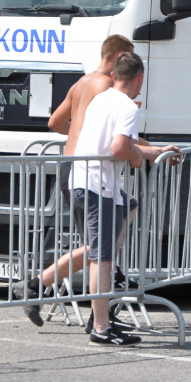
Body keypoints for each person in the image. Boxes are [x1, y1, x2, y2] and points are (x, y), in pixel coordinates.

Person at [19, 35, 136, 327]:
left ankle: (100, 300)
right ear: (118, 57)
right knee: (99, 248)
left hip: (70, 166)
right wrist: (146, 148)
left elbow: (55, 122)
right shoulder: (108, 87)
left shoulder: (81, 82)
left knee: (117, 222)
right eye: (126, 59)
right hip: (89, 171)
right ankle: (36, 285)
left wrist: (78, 133)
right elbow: (115, 135)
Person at [73, 52, 177, 346]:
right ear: (139, 78)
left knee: (104, 248)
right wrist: (149, 153)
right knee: (101, 259)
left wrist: (151, 151)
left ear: (115, 74)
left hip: (82, 181)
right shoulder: (128, 108)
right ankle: (100, 327)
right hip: (99, 185)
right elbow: (120, 149)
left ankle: (101, 318)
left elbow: (120, 147)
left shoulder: (101, 99)